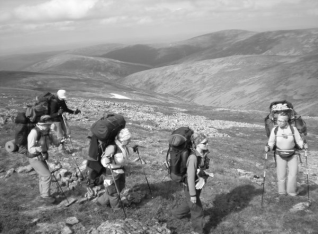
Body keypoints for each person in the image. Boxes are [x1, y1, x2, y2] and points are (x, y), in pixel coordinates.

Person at [172, 133, 211, 234]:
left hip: (197, 185)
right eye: (204, 143)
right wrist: (193, 194)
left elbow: (198, 170)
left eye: (207, 142)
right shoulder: (193, 158)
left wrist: (205, 173)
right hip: (190, 187)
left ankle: (176, 214)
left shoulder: (202, 155)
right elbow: (190, 177)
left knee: (190, 202)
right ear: (197, 144)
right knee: (198, 211)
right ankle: (198, 231)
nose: (207, 144)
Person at [265, 112, 307, 196]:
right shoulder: (275, 130)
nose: (279, 122)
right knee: (281, 175)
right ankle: (282, 192)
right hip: (279, 154)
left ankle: (291, 192)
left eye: (281, 121)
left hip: (293, 154)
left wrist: (303, 145)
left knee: (293, 174)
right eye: (278, 120)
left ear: (286, 121)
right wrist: (268, 147)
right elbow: (271, 142)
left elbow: (299, 140)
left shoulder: (293, 129)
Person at [97, 128, 131, 210]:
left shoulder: (124, 146)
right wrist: (106, 161)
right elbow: (103, 160)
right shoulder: (112, 147)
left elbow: (124, 154)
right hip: (112, 173)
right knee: (113, 192)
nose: (130, 140)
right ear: (123, 139)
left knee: (118, 189)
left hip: (120, 171)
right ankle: (116, 209)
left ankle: (101, 202)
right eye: (128, 139)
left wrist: (133, 149)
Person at [27, 115, 56, 204]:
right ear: (43, 124)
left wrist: (60, 142)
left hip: (42, 156)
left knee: (43, 176)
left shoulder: (46, 131)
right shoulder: (34, 132)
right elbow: (30, 148)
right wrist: (38, 149)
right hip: (34, 157)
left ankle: (43, 194)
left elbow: (54, 142)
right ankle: (45, 196)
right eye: (48, 124)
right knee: (47, 175)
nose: (49, 126)